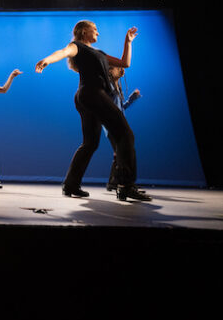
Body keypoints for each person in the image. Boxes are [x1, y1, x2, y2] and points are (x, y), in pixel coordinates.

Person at [35, 20, 150, 201]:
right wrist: (47, 60)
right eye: (94, 29)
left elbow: (124, 63)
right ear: (83, 31)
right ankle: (126, 186)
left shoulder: (100, 53)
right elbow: (63, 52)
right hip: (92, 93)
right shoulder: (77, 46)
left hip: (86, 96)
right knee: (125, 135)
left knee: (90, 143)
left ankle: (71, 185)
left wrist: (128, 42)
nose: (98, 32)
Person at [104, 64, 142, 192]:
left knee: (119, 153)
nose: (122, 69)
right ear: (110, 71)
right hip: (112, 126)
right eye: (118, 67)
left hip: (118, 124)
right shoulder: (108, 87)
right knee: (122, 153)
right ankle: (122, 183)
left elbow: (121, 107)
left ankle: (113, 183)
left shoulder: (116, 87)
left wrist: (132, 98)